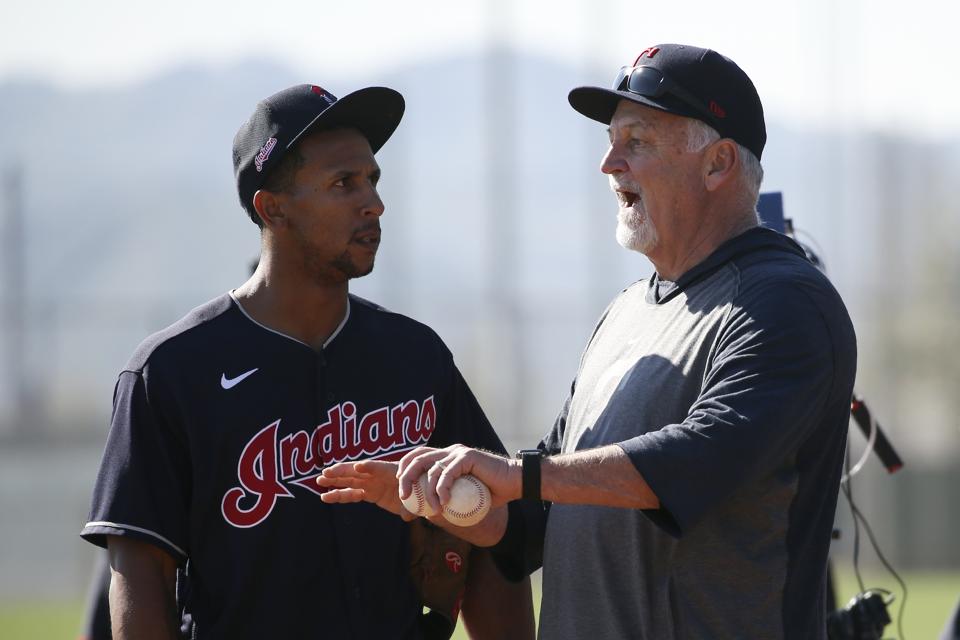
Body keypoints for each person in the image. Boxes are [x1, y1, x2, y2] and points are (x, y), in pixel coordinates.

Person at [319, 44, 858, 639]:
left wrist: (519, 474)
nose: (609, 163)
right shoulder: (625, 313)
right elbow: (536, 517)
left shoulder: (786, 303)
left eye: (637, 141)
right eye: (611, 140)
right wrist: (442, 499)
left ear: (718, 163)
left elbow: (695, 462)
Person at [80, 83, 534, 639]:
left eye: (372, 179)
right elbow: (140, 573)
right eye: (343, 183)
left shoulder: (416, 357)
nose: (373, 202)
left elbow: (494, 544)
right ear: (273, 208)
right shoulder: (171, 372)